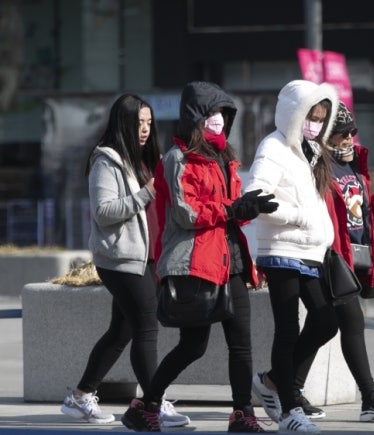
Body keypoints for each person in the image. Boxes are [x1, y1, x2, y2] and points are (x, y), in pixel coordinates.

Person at [120, 81, 278, 433]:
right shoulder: (177, 158)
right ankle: (146, 406)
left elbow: (231, 210)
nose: (219, 120)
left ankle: (242, 414)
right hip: (196, 261)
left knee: (241, 343)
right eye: (213, 113)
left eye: (223, 113)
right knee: (193, 345)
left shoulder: (226, 157)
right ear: (196, 117)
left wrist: (248, 207)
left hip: (231, 258)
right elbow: (186, 213)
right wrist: (233, 208)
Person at [60, 93, 189, 428]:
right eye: (137, 123)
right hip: (120, 259)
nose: (144, 129)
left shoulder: (148, 158)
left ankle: (80, 396)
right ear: (123, 123)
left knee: (122, 331)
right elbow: (104, 213)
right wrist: (146, 191)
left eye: (148, 122)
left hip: (148, 258)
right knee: (147, 326)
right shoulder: (107, 160)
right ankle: (154, 402)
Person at [285, 102, 374, 422]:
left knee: (320, 324)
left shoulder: (352, 164)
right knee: (351, 322)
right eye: (341, 134)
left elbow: (353, 210)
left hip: (354, 254)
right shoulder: (316, 167)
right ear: (325, 138)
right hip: (330, 256)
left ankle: (283, 385)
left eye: (352, 131)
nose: (349, 138)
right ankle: (369, 396)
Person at [244, 79, 341, 433]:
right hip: (281, 250)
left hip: (310, 252)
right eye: (310, 116)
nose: (315, 124)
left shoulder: (309, 151)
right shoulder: (273, 147)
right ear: (293, 115)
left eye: (320, 118)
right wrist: (296, 216)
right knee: (287, 329)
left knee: (326, 322)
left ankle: (271, 381)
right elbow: (254, 194)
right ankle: (288, 410)